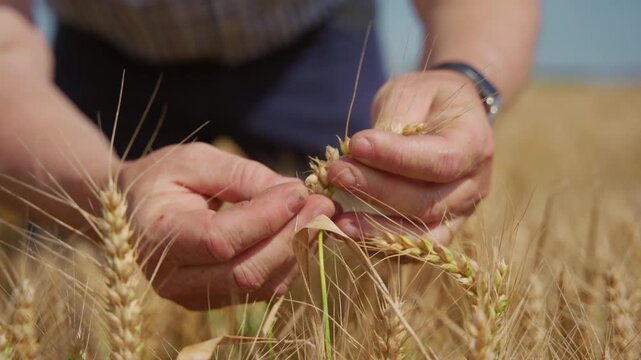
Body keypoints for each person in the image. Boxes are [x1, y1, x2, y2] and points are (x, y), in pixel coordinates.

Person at [0, 0, 539, 310]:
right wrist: (106, 187)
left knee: (370, 258)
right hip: (103, 53)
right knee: (54, 262)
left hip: (314, 39)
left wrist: (466, 79)